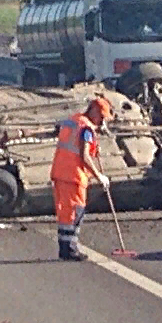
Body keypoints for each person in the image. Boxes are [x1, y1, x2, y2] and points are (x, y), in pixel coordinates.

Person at [50, 97, 113, 261]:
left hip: (60, 172)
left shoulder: (73, 120)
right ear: (94, 112)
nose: (101, 121)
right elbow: (84, 155)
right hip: (74, 176)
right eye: (101, 117)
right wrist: (100, 176)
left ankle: (65, 249)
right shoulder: (86, 129)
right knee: (75, 213)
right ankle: (71, 250)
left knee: (65, 214)